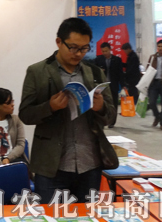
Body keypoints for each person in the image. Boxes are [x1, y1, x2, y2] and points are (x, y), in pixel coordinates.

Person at [20, 17, 118, 204]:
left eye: (84, 48)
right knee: (50, 218)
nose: (78, 53)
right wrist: (50, 107)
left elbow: (111, 117)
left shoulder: (95, 73)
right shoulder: (37, 72)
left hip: (89, 165)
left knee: (87, 219)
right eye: (73, 47)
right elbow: (25, 114)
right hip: (51, 167)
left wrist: (101, 108)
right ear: (59, 42)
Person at [94, 42, 125, 128]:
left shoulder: (117, 60)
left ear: (110, 49)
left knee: (114, 103)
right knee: (102, 103)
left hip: (113, 84)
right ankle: (102, 120)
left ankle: (112, 122)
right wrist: (99, 70)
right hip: (102, 85)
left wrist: (123, 85)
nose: (105, 53)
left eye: (106, 51)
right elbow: (94, 71)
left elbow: (120, 73)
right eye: (103, 51)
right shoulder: (98, 59)